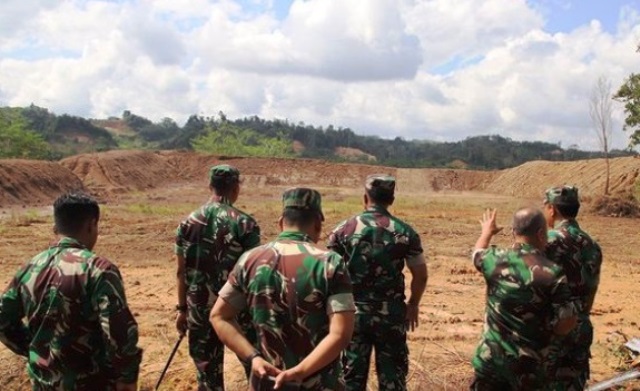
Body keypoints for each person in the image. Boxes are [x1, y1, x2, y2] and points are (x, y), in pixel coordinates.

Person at [210, 187, 356, 391]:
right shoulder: (330, 263)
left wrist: (253, 358)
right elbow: (340, 334)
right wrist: (299, 372)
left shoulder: (249, 260)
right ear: (317, 224)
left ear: (281, 222)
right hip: (318, 384)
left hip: (266, 382)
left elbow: (219, 316)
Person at [0, 192, 142, 391]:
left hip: (43, 383)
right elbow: (118, 331)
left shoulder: (30, 268)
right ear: (92, 225)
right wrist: (127, 376)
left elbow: (3, 319)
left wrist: (35, 351)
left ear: (55, 227)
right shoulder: (98, 270)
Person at [327, 174, 428, 391]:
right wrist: (413, 304)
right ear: (391, 199)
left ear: (365, 198)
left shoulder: (343, 230)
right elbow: (420, 274)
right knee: (392, 379)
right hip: (391, 315)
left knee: (351, 379)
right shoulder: (405, 232)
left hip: (351, 315)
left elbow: (328, 272)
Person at [174, 164, 261, 391]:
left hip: (199, 306)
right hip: (236, 307)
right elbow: (252, 274)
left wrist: (182, 309)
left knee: (207, 373)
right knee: (255, 363)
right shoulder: (245, 224)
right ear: (235, 188)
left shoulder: (187, 223)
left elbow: (180, 271)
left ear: (210, 186)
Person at [470, 208, 578, 391]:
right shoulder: (552, 273)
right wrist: (553, 335)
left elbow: (476, 253)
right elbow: (567, 320)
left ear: (513, 232)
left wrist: (486, 232)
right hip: (528, 367)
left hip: (490, 362)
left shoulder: (493, 260)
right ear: (541, 234)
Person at [542, 186, 602, 390]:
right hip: (582, 327)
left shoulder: (548, 242)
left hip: (554, 329)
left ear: (551, 209)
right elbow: (591, 292)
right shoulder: (592, 245)